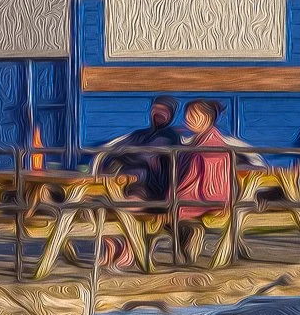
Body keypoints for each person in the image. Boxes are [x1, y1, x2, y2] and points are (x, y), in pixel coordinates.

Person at [174, 98, 238, 254]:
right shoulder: (196, 141)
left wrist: (175, 194)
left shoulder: (212, 145)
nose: (189, 119)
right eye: (188, 115)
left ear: (207, 118)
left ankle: (190, 239)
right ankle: (187, 245)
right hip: (196, 195)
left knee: (169, 210)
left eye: (194, 115)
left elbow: (211, 184)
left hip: (206, 198)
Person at [96, 96, 185, 203]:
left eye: (163, 111)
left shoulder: (170, 136)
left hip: (150, 186)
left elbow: (146, 155)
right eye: (155, 109)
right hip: (126, 180)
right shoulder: (141, 134)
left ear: (171, 116)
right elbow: (116, 148)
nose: (158, 113)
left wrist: (124, 154)